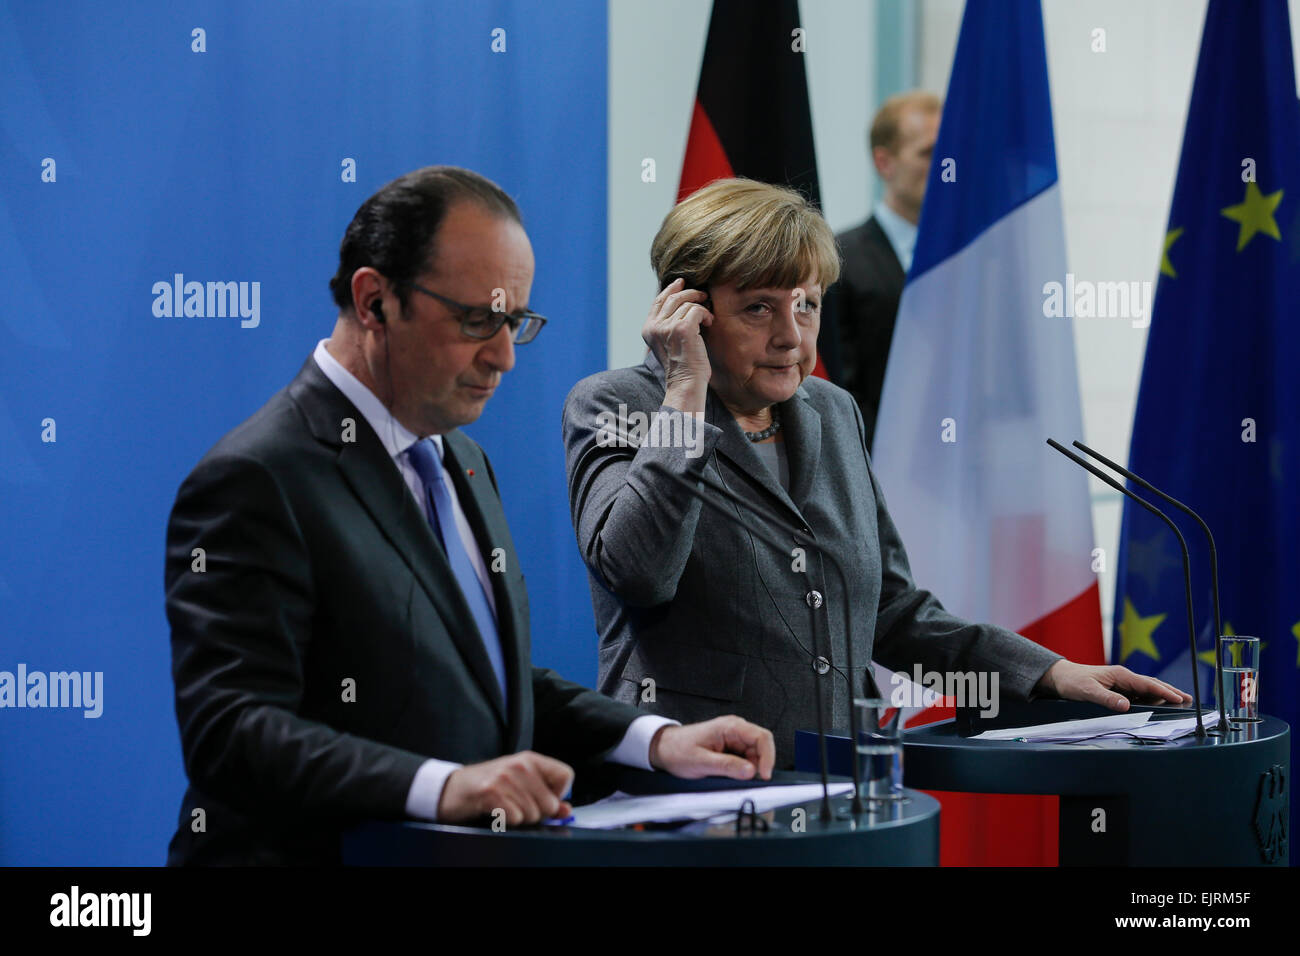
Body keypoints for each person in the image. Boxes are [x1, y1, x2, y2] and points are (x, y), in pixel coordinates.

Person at [164, 166, 775, 865]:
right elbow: (232, 731)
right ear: (375, 301)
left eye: (516, 321)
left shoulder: (461, 459)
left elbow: (491, 683)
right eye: (478, 320)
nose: (505, 356)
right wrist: (444, 788)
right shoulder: (257, 477)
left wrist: (656, 740)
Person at [562, 178, 1191, 770]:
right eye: (759, 307)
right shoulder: (620, 407)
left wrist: (1048, 674)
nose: (790, 335)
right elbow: (640, 573)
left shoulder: (832, 413)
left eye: (805, 304)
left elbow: (888, 610)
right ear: (688, 312)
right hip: (700, 786)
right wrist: (683, 393)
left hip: (845, 778)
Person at [828, 90, 939, 453]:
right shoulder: (837, 259)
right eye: (927, 152)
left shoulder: (977, 263)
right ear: (884, 162)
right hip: (875, 466)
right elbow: (837, 385)